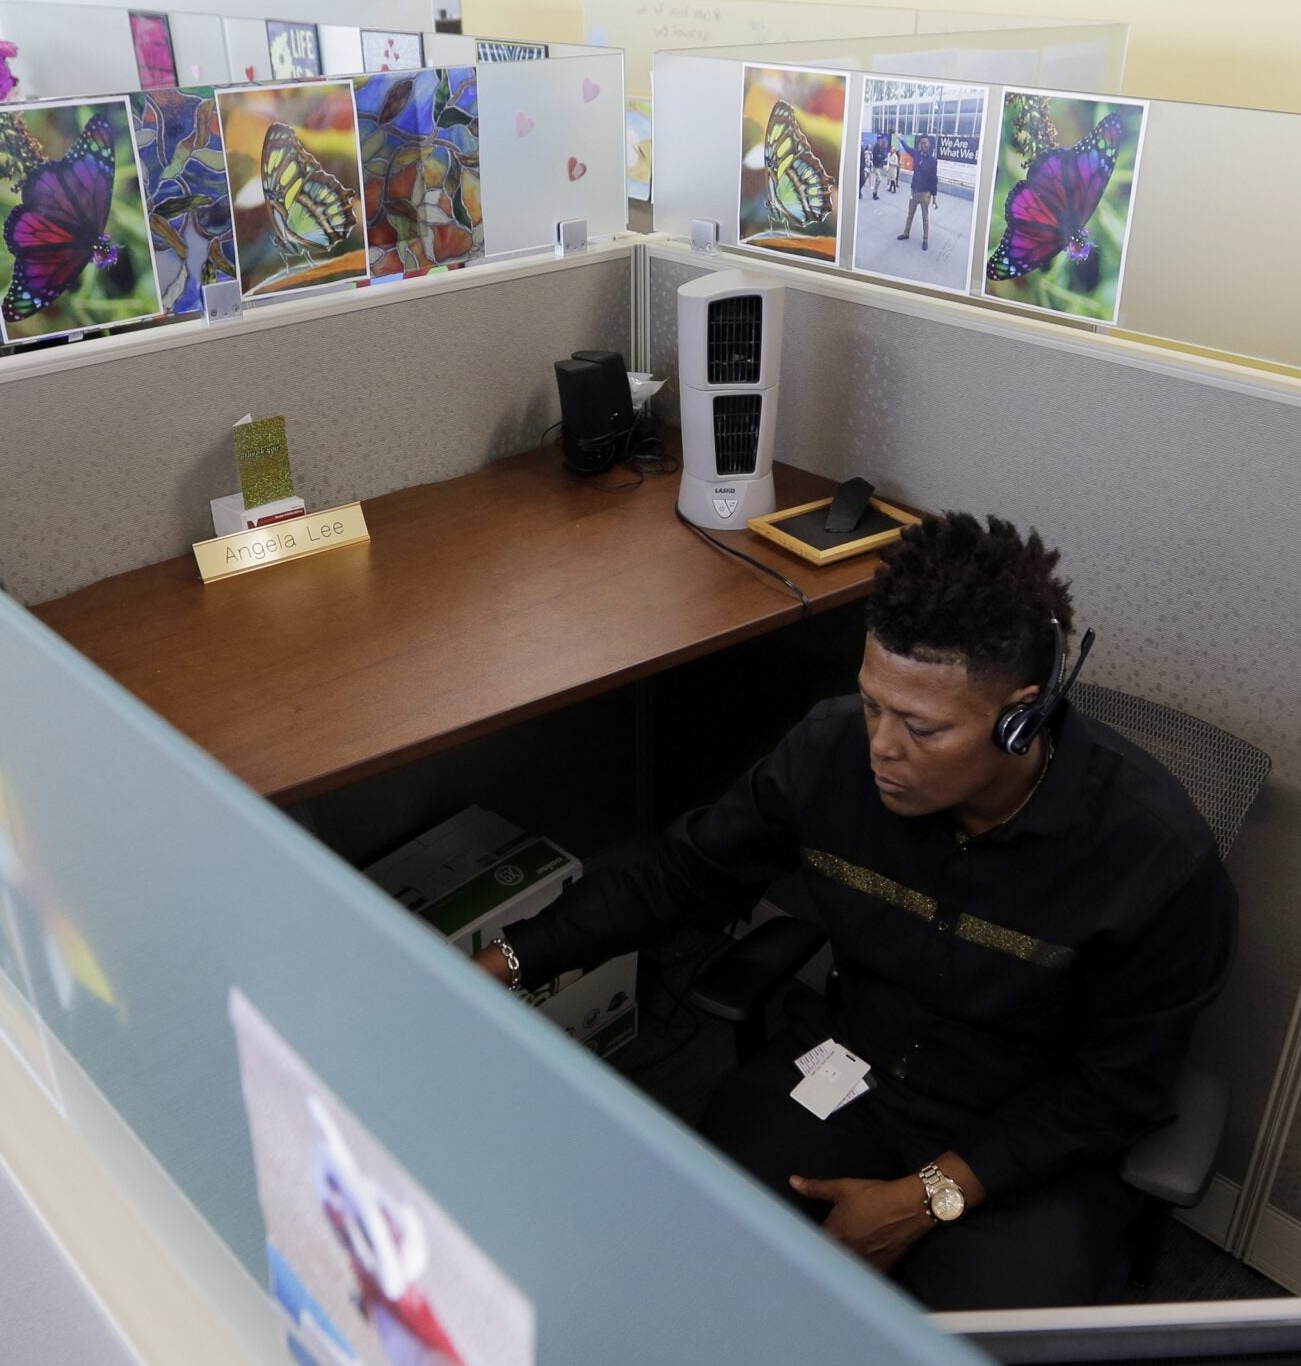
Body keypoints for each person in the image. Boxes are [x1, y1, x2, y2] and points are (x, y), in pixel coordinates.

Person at [476, 515, 1238, 1308]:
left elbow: (1114, 1091)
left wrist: (927, 1196)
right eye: (873, 703)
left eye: (922, 726)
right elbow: (680, 877)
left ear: (1022, 719)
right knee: (687, 1251)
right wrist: (507, 960)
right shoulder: (829, 755)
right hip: (855, 1065)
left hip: (1027, 1133)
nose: (881, 745)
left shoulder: (1155, 859)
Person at [897, 133, 940, 251]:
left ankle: (925, 239)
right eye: (921, 143)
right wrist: (901, 139)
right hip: (914, 192)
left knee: (925, 219)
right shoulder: (916, 154)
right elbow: (907, 148)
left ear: (929, 145)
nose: (923, 144)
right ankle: (906, 233)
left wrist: (934, 198)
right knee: (909, 215)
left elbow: (934, 179)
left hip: (925, 195)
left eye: (925, 142)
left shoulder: (932, 161)